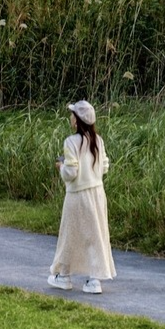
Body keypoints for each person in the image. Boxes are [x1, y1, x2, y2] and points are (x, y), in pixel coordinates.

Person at [47, 100, 116, 294]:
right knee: (95, 235)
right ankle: (94, 279)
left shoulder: (71, 142)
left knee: (69, 235)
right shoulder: (98, 141)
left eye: (72, 115)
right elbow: (104, 167)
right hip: (97, 194)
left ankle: (64, 275)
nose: (70, 118)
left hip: (77, 195)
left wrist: (61, 167)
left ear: (77, 120)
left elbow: (71, 172)